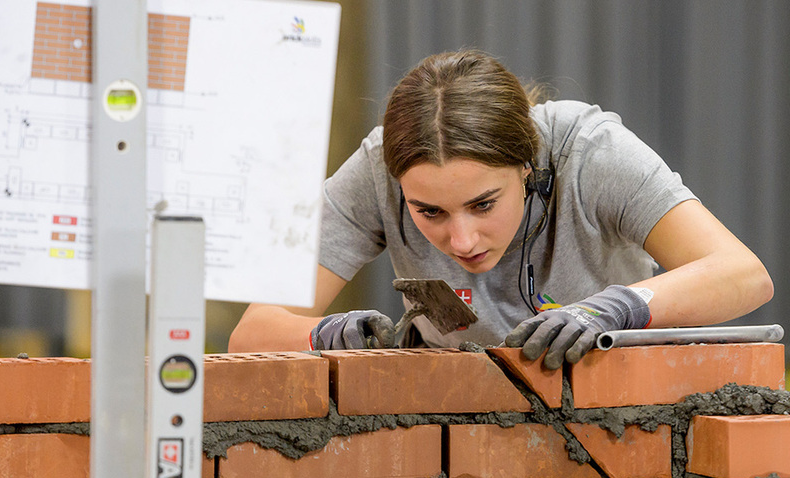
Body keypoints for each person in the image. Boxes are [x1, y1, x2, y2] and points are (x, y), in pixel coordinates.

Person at [228, 50, 773, 369]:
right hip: (457, 420)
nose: (462, 241)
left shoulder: (590, 152)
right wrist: (328, 335)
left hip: (608, 402)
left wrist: (614, 308)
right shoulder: (376, 169)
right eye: (429, 212)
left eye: (483, 204)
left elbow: (743, 275)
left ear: (528, 168)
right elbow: (252, 334)